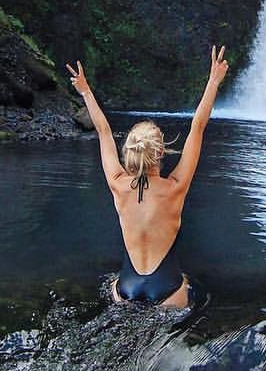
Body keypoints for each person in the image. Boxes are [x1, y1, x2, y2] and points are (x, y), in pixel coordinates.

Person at [65, 46, 230, 307]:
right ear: (161, 151)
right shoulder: (175, 187)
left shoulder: (117, 184)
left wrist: (85, 90)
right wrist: (213, 80)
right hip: (168, 291)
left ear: (129, 152)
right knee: (193, 291)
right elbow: (197, 127)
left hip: (125, 288)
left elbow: (104, 131)